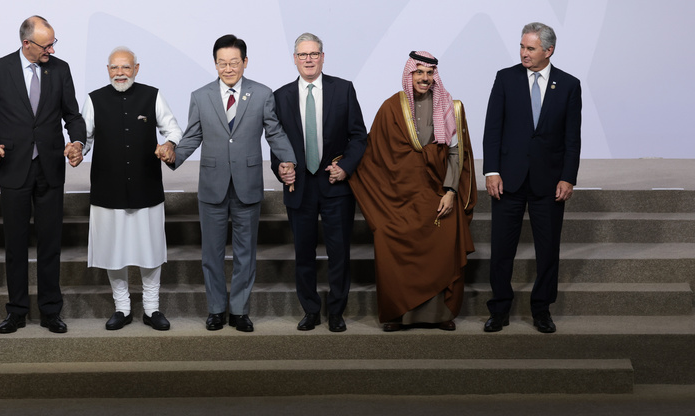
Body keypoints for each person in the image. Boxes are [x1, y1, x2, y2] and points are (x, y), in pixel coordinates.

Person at [170, 34, 296, 332]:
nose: (228, 69)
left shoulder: (263, 94)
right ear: (215, 64)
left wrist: (288, 159)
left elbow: (274, 132)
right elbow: (193, 136)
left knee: (245, 253)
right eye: (222, 63)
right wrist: (172, 156)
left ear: (245, 63)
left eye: (234, 63)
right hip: (212, 186)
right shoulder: (200, 96)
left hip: (247, 184)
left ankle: (239, 310)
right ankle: (215, 309)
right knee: (211, 254)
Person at [350, 51, 477, 332]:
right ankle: (399, 314)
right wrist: (344, 164)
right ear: (409, 75)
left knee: (441, 250)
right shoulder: (391, 108)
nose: (424, 78)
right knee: (392, 243)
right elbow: (376, 152)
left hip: (438, 194)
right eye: (418, 73)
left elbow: (457, 153)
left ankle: (440, 314)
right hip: (401, 196)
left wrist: (451, 191)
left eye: (429, 73)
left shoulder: (450, 106)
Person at [0, 16, 85, 334]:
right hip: (13, 168)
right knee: (16, 245)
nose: (51, 49)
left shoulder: (60, 69)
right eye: (45, 44)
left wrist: (77, 142)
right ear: (27, 44)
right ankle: (17, 311)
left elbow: (72, 115)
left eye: (53, 43)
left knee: (50, 244)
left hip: (50, 168)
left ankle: (51, 311)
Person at [483, 22, 582, 334]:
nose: (524, 53)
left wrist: (568, 177)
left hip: (549, 183)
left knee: (548, 249)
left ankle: (541, 310)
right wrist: (492, 171)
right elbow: (492, 129)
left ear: (548, 51)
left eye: (531, 48)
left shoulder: (568, 85)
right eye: (522, 47)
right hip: (508, 180)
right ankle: (499, 309)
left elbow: (572, 138)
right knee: (501, 250)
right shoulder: (505, 78)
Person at [270, 33, 367, 332]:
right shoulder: (281, 96)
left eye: (314, 54)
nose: (309, 59)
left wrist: (347, 168)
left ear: (323, 57)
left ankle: (336, 311)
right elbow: (276, 142)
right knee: (304, 253)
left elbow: (359, 136)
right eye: (303, 55)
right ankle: (311, 310)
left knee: (339, 253)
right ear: (295, 59)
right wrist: (280, 168)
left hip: (335, 185)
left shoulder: (343, 90)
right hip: (300, 187)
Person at [81, 47, 182, 331]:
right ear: (108, 70)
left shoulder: (153, 95)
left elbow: (173, 129)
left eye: (126, 67)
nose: (120, 73)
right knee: (114, 251)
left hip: (146, 187)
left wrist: (169, 145)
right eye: (114, 68)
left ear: (136, 68)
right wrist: (77, 148)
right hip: (107, 188)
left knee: (149, 251)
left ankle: (152, 309)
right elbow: (84, 138)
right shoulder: (94, 99)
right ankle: (122, 307)